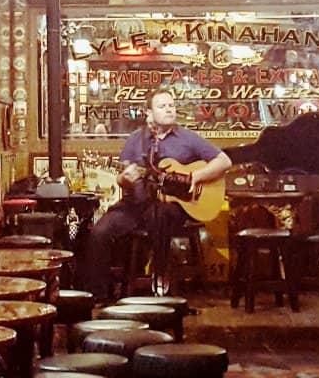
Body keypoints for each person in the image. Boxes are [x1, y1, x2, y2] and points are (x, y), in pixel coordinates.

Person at [84, 88, 232, 302]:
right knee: (100, 232)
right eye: (162, 106)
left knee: (159, 215)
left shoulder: (188, 138)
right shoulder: (137, 139)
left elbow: (224, 161)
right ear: (149, 114)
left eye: (171, 105)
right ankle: (97, 295)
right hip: (136, 204)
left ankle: (160, 282)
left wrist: (195, 177)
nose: (169, 109)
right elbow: (123, 177)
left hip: (173, 208)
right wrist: (125, 179)